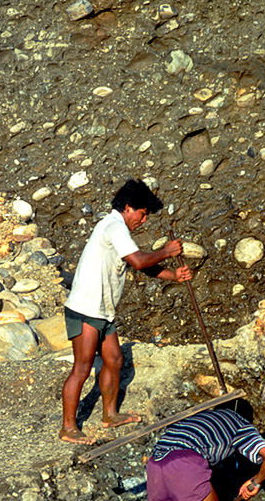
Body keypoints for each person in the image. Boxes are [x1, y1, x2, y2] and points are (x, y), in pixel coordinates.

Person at [60, 179, 192, 445]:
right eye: (142, 215)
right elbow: (139, 260)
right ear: (129, 207)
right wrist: (166, 251)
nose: (143, 221)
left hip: (102, 309)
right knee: (82, 367)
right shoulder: (113, 226)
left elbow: (142, 265)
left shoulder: (118, 230)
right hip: (86, 308)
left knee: (115, 360)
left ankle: (110, 415)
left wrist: (174, 276)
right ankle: (68, 427)